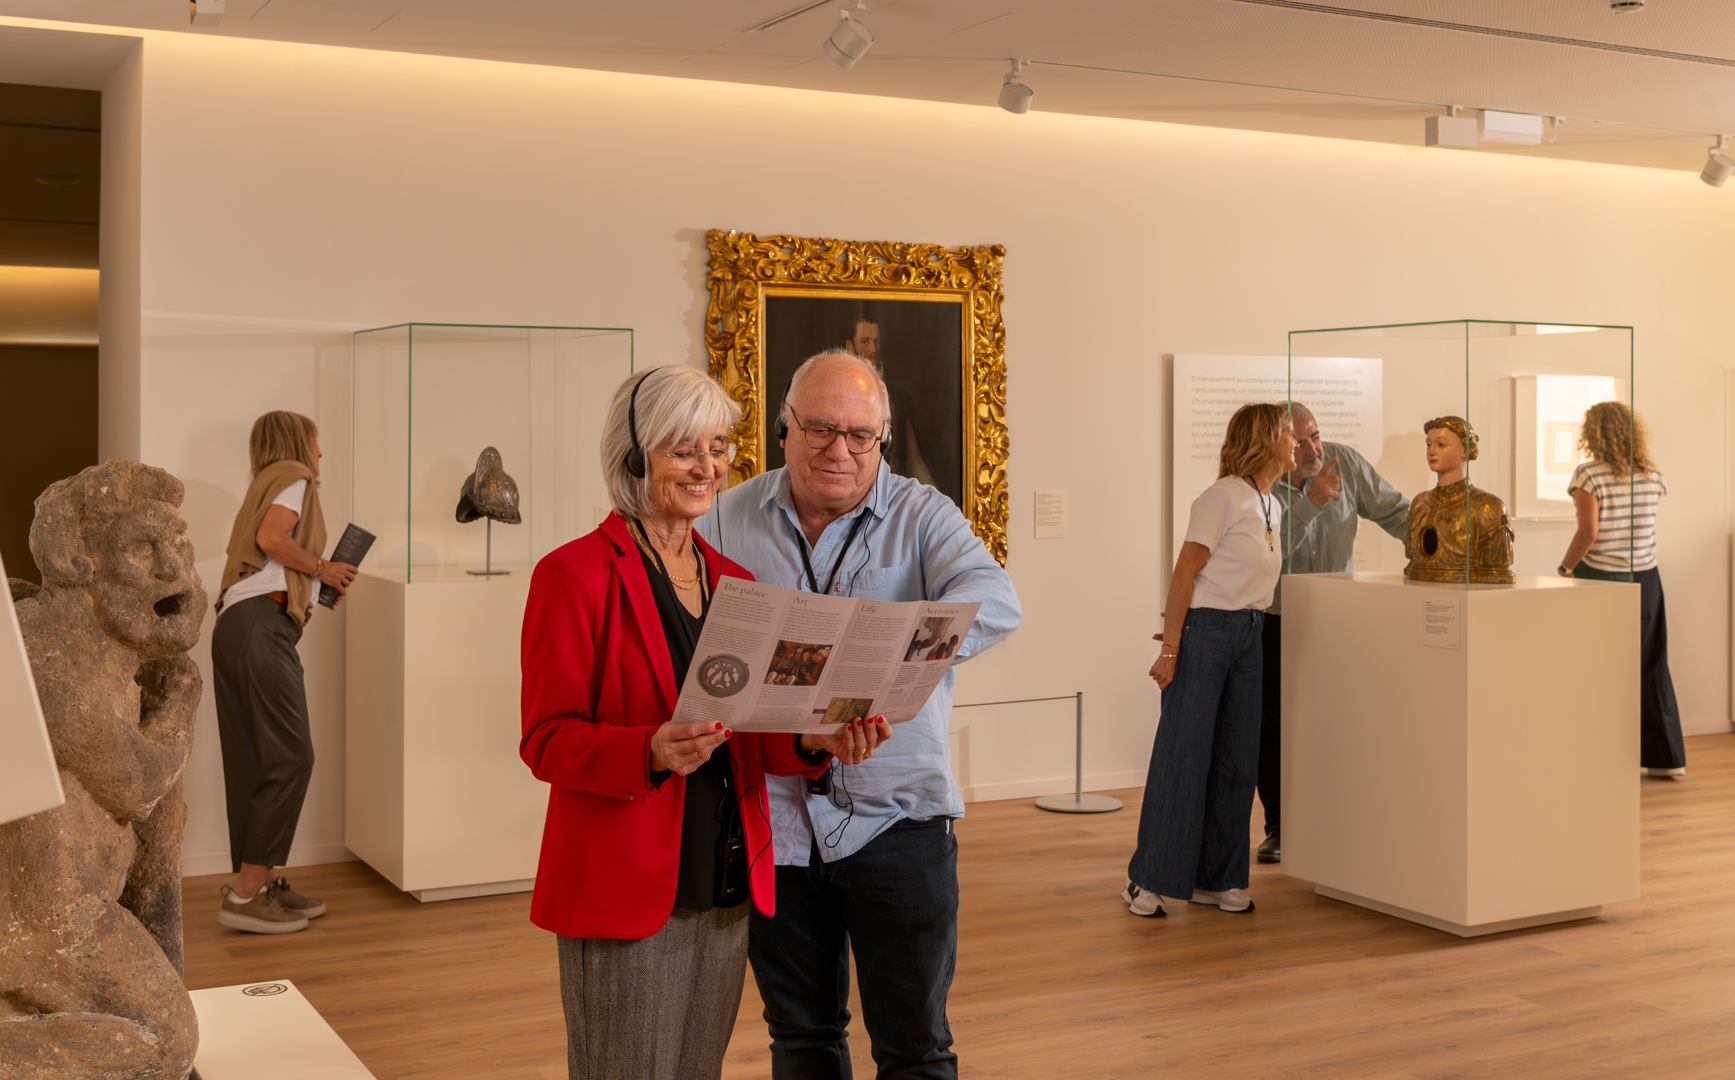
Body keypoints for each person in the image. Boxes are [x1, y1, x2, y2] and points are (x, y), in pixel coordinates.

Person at [519, 365, 890, 1080]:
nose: (707, 468)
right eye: (683, 450)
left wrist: (810, 739)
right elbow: (545, 740)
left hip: (723, 878)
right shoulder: (573, 575)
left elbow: (745, 732)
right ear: (634, 457)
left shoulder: (735, 583)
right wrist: (649, 750)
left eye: (717, 448)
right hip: (626, 882)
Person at [697, 348, 1023, 1080]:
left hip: (898, 818)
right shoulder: (724, 518)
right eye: (819, 428)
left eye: (859, 435)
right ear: (784, 428)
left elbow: (997, 602)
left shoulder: (923, 513)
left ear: (882, 438)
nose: (838, 451)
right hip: (776, 825)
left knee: (915, 1048)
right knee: (801, 1037)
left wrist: (880, 667)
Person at [1125, 402, 1295, 919]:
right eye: (1289, 433)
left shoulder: (1273, 504)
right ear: (1266, 440)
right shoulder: (1222, 497)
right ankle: (1147, 880)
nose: (1296, 442)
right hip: (1207, 634)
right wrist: (1171, 648)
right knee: (1184, 756)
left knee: (1237, 761)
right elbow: (1184, 573)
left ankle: (1216, 877)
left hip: (1251, 633)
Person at [211, 411, 357, 934]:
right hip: (260, 625)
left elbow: (266, 550)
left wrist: (317, 586)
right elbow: (272, 539)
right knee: (292, 756)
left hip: (236, 625)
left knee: (255, 761)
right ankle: (245, 894)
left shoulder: (264, 483)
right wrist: (322, 568)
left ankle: (261, 882)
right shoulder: (295, 476)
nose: (320, 453)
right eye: (316, 441)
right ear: (298, 443)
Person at [1258, 402, 1409, 862]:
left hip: (1336, 616)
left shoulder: (1346, 463)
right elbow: (1267, 552)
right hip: (1275, 618)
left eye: (1315, 436)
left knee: (1336, 719)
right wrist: (1313, 503)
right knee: (1273, 727)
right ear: (1280, 443)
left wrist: (1440, 541)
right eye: (1299, 441)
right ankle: (1280, 826)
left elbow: (1396, 512)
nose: (1312, 450)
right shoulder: (1264, 480)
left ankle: (1335, 820)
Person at [1559, 402, 1684, 779]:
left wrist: (1565, 567)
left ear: (1593, 433)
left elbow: (1589, 532)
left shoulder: (1589, 474)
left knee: (1599, 669)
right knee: (1652, 666)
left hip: (1601, 578)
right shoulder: (1651, 474)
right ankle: (1667, 761)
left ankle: (1599, 756)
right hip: (1647, 577)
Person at [843, 314, 939, 490]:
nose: (874, 349)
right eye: (865, 341)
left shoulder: (897, 397)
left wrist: (937, 502)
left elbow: (915, 464)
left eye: (877, 342)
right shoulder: (835, 394)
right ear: (850, 347)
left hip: (892, 494)